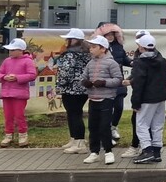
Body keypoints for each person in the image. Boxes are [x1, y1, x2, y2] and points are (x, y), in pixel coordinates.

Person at [80, 36, 124, 165]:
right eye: (91, 47)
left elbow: (118, 79)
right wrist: (85, 83)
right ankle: (94, 152)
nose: (91, 50)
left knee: (105, 126)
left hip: (106, 98)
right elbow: (83, 78)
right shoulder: (90, 63)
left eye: (94, 47)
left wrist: (104, 82)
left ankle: (108, 152)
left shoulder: (111, 63)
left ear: (103, 48)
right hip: (93, 98)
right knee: (93, 126)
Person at [129, 34, 166, 164]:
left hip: (146, 98)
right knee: (157, 124)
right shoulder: (162, 60)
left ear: (141, 47)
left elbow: (138, 84)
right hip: (160, 97)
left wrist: (135, 102)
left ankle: (147, 150)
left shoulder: (140, 62)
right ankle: (157, 151)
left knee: (141, 125)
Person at [0, 39, 37, 147]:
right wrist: (4, 77)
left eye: (13, 50)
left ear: (21, 50)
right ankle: (8, 134)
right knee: (8, 115)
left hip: (20, 94)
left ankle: (23, 134)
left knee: (19, 115)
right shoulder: (7, 61)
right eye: (10, 50)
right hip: (6, 92)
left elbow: (32, 75)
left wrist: (17, 78)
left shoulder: (28, 61)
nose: (10, 52)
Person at [56, 29, 92, 154]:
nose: (66, 41)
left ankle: (80, 142)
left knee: (74, 114)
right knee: (75, 113)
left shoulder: (70, 54)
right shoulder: (87, 53)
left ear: (74, 40)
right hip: (83, 88)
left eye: (69, 39)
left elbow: (66, 72)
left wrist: (60, 84)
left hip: (71, 89)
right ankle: (74, 139)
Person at [95, 23, 132, 145]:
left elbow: (124, 59)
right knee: (106, 109)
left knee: (119, 107)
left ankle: (113, 127)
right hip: (105, 83)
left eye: (112, 34)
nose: (110, 36)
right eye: (107, 34)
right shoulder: (98, 49)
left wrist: (133, 63)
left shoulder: (118, 47)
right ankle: (105, 135)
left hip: (118, 83)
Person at [121, 29, 152, 158]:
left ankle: (140, 147)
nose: (138, 44)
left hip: (146, 94)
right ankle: (146, 146)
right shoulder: (138, 54)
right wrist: (130, 79)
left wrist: (131, 82)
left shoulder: (151, 57)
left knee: (140, 121)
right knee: (138, 120)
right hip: (141, 92)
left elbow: (146, 77)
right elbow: (136, 73)